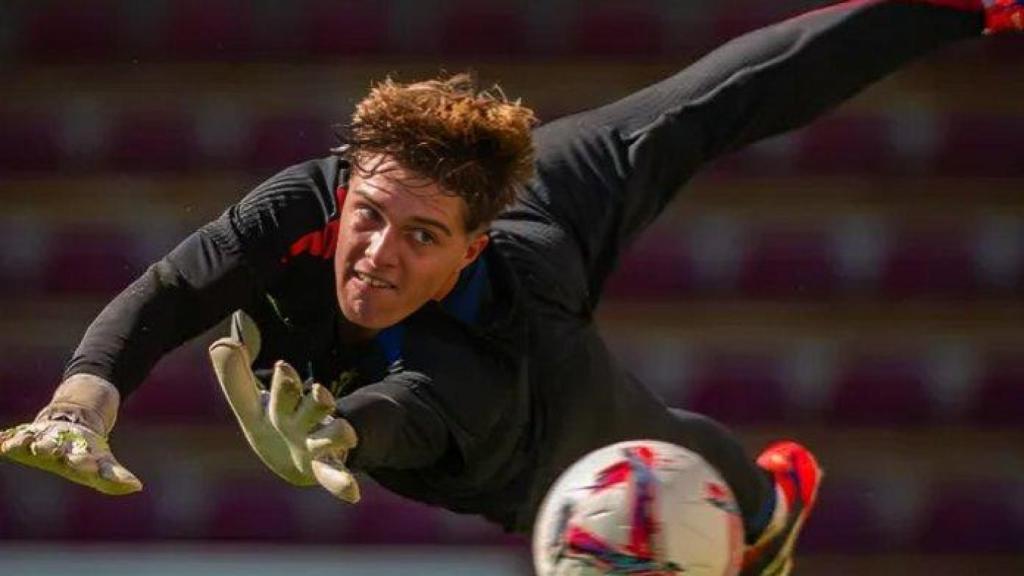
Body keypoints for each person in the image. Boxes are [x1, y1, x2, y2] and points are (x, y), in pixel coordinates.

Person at [2, 1, 1019, 574]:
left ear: (472, 243)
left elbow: (730, 92)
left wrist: (341, 434)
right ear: (347, 184)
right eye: (368, 215)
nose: (373, 255)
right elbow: (176, 289)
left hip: (525, 425)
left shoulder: (512, 294)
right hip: (420, 422)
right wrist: (80, 401)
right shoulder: (306, 204)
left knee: (639, 435)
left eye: (420, 237)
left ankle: (762, 504)